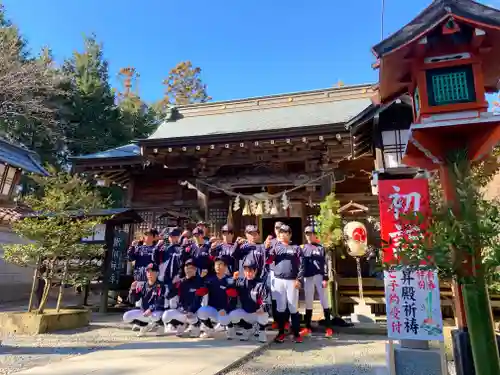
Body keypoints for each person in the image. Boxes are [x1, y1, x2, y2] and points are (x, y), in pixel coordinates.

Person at [267, 224, 303, 343]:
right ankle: (281, 333)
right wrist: (267, 248)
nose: (282, 234)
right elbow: (268, 260)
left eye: (285, 232)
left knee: (293, 306)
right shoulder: (276, 247)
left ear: (290, 234)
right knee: (280, 307)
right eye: (281, 232)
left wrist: (299, 279)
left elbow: (302, 265)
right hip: (278, 280)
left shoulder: (296, 248)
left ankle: (296, 333)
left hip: (292, 280)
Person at [299, 226, 333, 337]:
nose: (309, 236)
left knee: (324, 300)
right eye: (307, 234)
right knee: (308, 301)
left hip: (319, 276)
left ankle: (328, 327)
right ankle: (307, 327)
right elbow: (300, 264)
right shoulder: (302, 248)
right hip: (308, 277)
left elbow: (326, 263)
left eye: (310, 234)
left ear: (315, 234)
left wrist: (325, 277)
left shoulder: (321, 248)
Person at [197, 256, 239, 339]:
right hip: (213, 309)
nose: (217, 267)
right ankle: (209, 329)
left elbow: (233, 299)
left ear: (225, 267)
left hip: (224, 311)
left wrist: (227, 309)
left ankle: (230, 328)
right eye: (216, 265)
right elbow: (201, 290)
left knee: (225, 318)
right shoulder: (209, 279)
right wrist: (201, 279)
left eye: (220, 264)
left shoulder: (229, 280)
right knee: (201, 311)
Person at [161, 259, 205, 337]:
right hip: (182, 310)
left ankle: (196, 325)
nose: (188, 270)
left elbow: (199, 299)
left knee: (192, 316)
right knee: (166, 315)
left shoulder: (200, 281)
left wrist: (191, 310)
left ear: (195, 269)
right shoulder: (181, 282)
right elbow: (168, 296)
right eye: (187, 267)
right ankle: (181, 324)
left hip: (195, 311)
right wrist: (173, 285)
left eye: (191, 267)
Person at [229, 259, 269, 343]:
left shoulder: (261, 284)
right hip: (246, 312)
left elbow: (266, 300)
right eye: (246, 271)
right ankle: (247, 329)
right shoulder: (240, 282)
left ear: (255, 271)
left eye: (250, 271)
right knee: (232, 315)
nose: (248, 273)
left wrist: (262, 308)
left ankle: (261, 331)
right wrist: (233, 279)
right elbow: (230, 290)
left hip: (257, 313)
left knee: (264, 314)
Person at [123, 263, 165, 336]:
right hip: (144, 312)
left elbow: (160, 301)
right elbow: (133, 300)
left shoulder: (160, 286)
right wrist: (132, 289)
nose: (150, 273)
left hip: (156, 312)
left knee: (154, 316)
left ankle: (161, 325)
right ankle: (143, 325)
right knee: (126, 316)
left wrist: (150, 309)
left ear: (157, 273)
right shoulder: (142, 285)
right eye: (148, 271)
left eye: (152, 271)